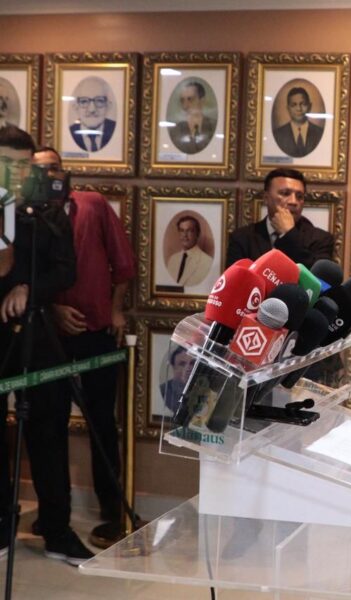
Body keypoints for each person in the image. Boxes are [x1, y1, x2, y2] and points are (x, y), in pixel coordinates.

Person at [0, 125, 94, 565]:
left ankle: (57, 530)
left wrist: (28, 289)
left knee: (49, 429)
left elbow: (65, 270)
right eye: (6, 163)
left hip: (37, 332)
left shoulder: (45, 211)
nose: (14, 173)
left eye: (22, 165)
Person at [31, 146, 135, 543]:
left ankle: (113, 511)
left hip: (96, 333)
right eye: (40, 170)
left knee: (103, 423)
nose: (49, 175)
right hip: (48, 337)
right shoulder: (27, 214)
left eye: (54, 168)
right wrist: (52, 309)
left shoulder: (92, 204)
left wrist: (116, 310)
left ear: (65, 171)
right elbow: (25, 275)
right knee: (49, 425)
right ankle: (53, 514)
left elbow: (123, 263)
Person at [225, 168, 334, 268]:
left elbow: (318, 279)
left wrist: (288, 234)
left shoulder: (321, 239)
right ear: (266, 198)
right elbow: (235, 280)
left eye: (299, 196)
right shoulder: (242, 238)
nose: (294, 202)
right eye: (285, 193)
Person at [272, 86, 324, 158]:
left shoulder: (319, 133)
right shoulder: (278, 135)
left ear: (309, 106)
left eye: (303, 104)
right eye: (293, 105)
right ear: (288, 108)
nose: (299, 109)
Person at [68, 77, 115, 153]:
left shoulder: (116, 132)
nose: (92, 109)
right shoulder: (69, 133)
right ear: (75, 107)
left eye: (99, 101)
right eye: (84, 101)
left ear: (108, 106)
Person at [169, 80, 216, 155]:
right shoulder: (175, 131)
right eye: (182, 101)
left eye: (190, 99)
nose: (185, 106)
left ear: (202, 101)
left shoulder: (214, 126)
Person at [165, 215, 213, 287]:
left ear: (197, 234)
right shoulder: (172, 259)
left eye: (189, 231)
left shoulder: (207, 262)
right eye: (182, 230)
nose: (185, 235)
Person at [160, 346, 194, 415]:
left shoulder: (207, 389)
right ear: (173, 368)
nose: (188, 368)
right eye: (182, 364)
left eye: (192, 363)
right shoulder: (164, 390)